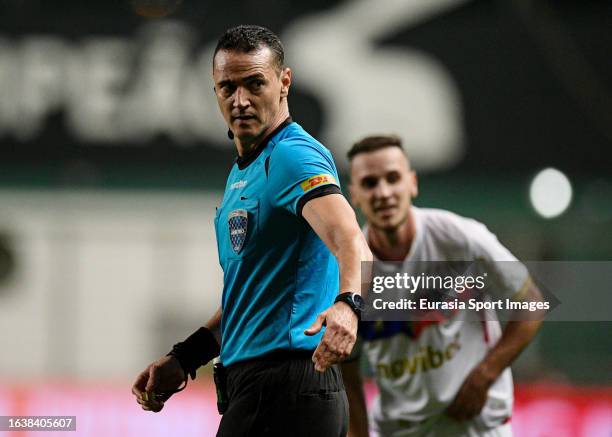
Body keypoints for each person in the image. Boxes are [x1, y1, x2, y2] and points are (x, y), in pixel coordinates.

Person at [131, 25, 372, 436]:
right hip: (262, 389)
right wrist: (184, 359)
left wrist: (350, 306)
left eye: (254, 84)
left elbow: (352, 240)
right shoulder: (242, 175)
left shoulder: (294, 155)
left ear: (284, 83)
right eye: (227, 87)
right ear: (214, 90)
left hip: (291, 386)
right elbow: (252, 300)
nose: (240, 100)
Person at [341, 135, 544, 437]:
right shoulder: (350, 272)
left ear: (412, 183)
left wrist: (484, 376)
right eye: (370, 183)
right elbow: (346, 367)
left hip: (478, 426)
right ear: (354, 195)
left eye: (393, 178)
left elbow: (532, 303)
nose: (383, 193)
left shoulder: (461, 239)